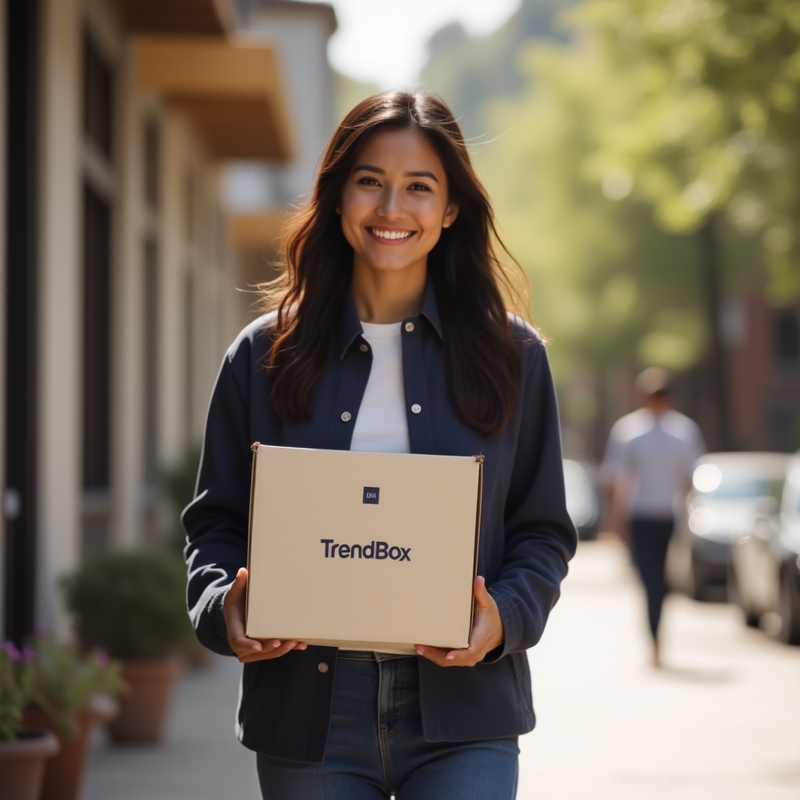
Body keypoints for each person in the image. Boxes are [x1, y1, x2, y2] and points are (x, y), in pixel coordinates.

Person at [182, 91, 576, 799]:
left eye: (419, 187)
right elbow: (213, 526)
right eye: (370, 181)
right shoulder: (264, 354)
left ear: (451, 209)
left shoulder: (514, 357)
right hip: (309, 716)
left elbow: (542, 531)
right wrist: (224, 608)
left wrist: (504, 619)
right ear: (337, 196)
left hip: (466, 716)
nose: (392, 208)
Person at [600, 367, 706, 666]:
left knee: (654, 580)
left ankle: (656, 636)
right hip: (653, 515)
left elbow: (616, 481)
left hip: (653, 516)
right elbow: (691, 480)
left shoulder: (637, 430)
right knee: (654, 580)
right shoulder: (673, 431)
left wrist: (613, 520)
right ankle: (656, 636)